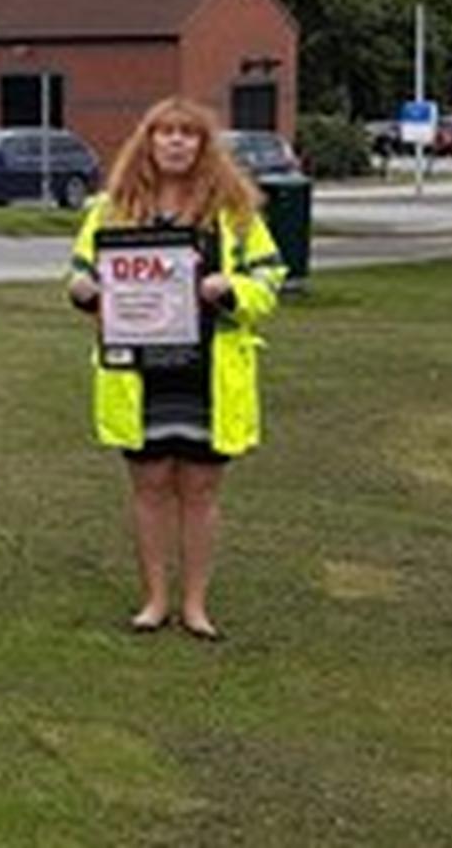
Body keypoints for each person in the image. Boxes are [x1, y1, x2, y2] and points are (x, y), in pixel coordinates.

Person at [64, 97, 286, 642]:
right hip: (140, 371)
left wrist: (232, 288)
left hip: (207, 372)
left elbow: (271, 280)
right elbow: (78, 273)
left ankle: (195, 604)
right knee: (150, 485)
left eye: (189, 134)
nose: (177, 142)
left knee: (200, 489)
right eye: (166, 132)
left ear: (205, 145)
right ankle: (154, 600)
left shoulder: (235, 214)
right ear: (148, 140)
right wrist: (81, 290)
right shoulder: (112, 208)